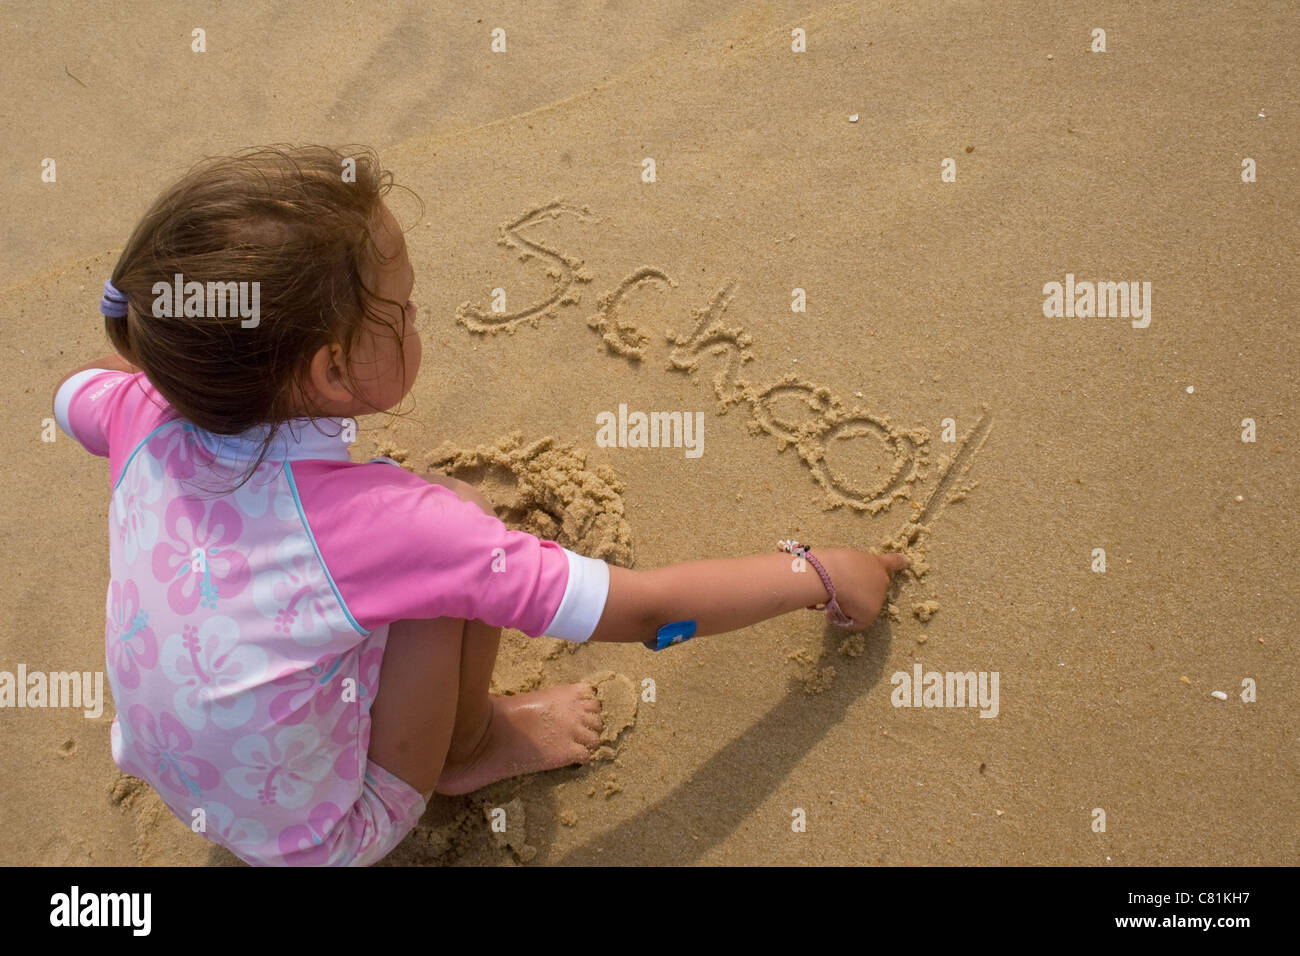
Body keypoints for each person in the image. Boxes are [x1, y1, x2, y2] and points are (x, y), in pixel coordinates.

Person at [52, 145, 908, 866]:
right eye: (405, 311)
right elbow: (650, 613)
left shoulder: (137, 408)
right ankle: (471, 748)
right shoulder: (393, 528)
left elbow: (70, 398)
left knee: (399, 559)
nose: (419, 319)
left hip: (177, 772)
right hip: (321, 834)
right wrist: (820, 574)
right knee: (454, 549)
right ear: (332, 372)